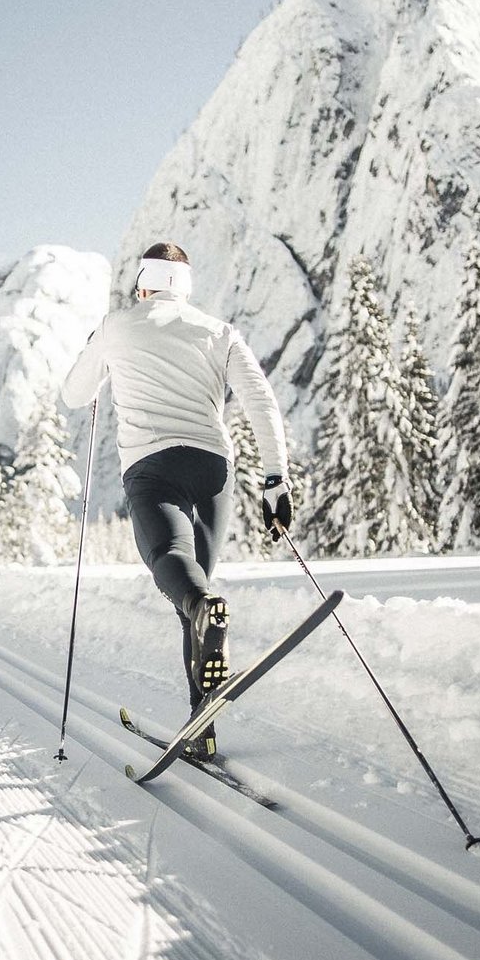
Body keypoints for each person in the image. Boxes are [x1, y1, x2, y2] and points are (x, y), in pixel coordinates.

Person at [60, 241, 294, 759]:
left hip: (152, 467)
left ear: (143, 283)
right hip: (213, 468)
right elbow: (260, 400)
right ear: (185, 287)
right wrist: (276, 480)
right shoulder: (219, 332)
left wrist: (97, 349)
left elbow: (74, 394)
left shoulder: (117, 324)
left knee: (176, 570)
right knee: (198, 593)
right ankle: (201, 724)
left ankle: (201, 683)